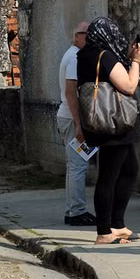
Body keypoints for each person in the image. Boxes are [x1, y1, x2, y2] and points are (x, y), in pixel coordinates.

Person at [77, 16, 140, 245]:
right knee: (109, 175)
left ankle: (117, 224)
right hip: (113, 122)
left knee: (129, 169)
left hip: (100, 120)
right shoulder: (105, 57)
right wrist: (135, 61)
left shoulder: (85, 55)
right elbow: (129, 86)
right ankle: (105, 230)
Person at [59, 21, 96, 226]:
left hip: (69, 117)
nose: (89, 38)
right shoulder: (74, 57)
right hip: (72, 118)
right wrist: (79, 124)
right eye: (85, 34)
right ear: (76, 36)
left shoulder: (72, 55)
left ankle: (74, 209)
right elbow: (70, 92)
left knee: (74, 165)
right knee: (78, 166)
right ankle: (76, 212)